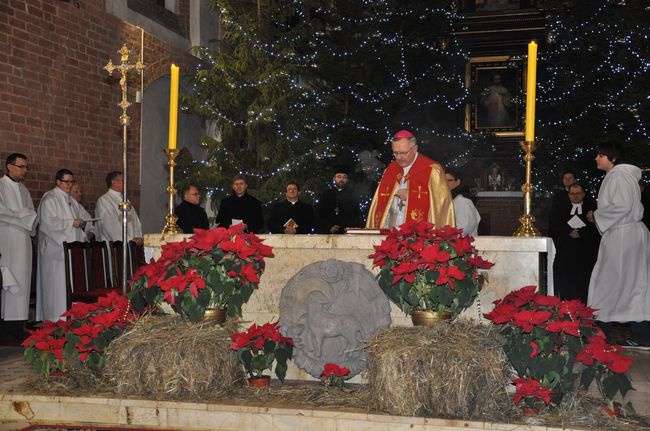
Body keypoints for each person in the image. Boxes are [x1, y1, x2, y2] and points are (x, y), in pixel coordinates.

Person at [586, 141, 650, 347]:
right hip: (625, 234)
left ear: (612, 159)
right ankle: (638, 336)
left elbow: (621, 206)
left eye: (600, 155)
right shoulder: (620, 176)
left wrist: (596, 216)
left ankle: (601, 335)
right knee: (628, 284)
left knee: (611, 283)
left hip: (624, 237)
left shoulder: (619, 176)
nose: (597, 158)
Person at [366, 130, 455, 229]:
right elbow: (379, 203)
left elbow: (441, 203)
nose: (399, 157)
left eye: (403, 153)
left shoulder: (432, 170)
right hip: (391, 228)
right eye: (395, 153)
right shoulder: (390, 170)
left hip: (420, 235)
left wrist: (411, 195)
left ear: (414, 149)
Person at [36, 169, 87, 322]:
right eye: (66, 182)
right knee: (57, 288)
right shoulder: (50, 198)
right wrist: (71, 223)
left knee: (70, 284)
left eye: (71, 182)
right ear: (58, 182)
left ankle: (71, 319)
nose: (69, 185)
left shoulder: (70, 200)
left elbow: (81, 220)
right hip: (56, 252)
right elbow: (47, 223)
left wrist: (81, 226)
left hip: (71, 251)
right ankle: (55, 320)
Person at [0, 153, 37, 337]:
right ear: (9, 166)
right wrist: (22, 216)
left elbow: (31, 214)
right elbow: (2, 212)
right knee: (9, 281)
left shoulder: (24, 189)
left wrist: (24, 217)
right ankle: (6, 327)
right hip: (7, 239)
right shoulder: (1, 185)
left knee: (23, 281)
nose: (25, 170)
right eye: (21, 167)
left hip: (23, 239)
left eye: (26, 167)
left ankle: (18, 325)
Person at [549, 183, 600, 303]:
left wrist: (582, 233)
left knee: (584, 287)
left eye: (578, 194)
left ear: (583, 194)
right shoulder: (560, 208)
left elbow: (597, 230)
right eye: (572, 194)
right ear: (568, 195)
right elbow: (554, 227)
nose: (575, 197)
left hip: (585, 256)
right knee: (565, 286)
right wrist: (568, 232)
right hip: (565, 254)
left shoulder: (592, 209)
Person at [95, 171, 143, 245]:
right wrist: (128, 239)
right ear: (113, 182)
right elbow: (109, 224)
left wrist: (138, 237)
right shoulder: (104, 200)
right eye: (123, 180)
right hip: (115, 245)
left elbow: (134, 220)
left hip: (132, 244)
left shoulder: (125, 200)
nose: (126, 183)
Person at [315, 167, 362, 234]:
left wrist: (349, 228)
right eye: (339, 176)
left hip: (347, 233)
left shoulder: (353, 195)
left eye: (344, 177)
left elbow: (356, 215)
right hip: (329, 233)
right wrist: (329, 227)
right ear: (334, 178)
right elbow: (319, 214)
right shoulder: (326, 194)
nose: (341, 179)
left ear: (347, 180)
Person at [445, 169, 480, 237]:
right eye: (443, 180)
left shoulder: (462, 201)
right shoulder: (452, 198)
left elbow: (463, 229)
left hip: (461, 244)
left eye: (449, 180)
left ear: (458, 182)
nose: (445, 183)